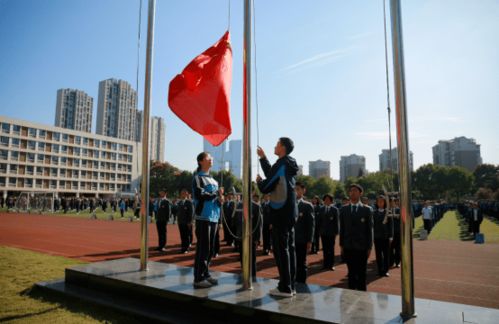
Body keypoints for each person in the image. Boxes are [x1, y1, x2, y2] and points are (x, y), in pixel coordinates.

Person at [256, 137, 299, 297]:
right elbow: (272, 174)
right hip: (289, 212)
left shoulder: (282, 164)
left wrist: (260, 183)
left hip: (281, 212)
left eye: (276, 144)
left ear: (282, 147)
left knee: (281, 250)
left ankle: (285, 287)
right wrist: (263, 158)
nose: (274, 146)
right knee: (289, 248)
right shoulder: (287, 164)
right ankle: (289, 285)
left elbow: (268, 185)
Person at [192, 152, 224, 288]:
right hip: (203, 216)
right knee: (203, 248)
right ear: (200, 161)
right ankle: (198, 278)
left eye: (211, 158)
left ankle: (206, 273)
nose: (211, 160)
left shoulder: (214, 180)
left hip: (214, 217)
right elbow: (201, 194)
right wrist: (216, 194)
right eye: (208, 158)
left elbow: (215, 199)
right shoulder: (198, 178)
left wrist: (220, 199)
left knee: (211, 249)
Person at [339, 183, 373, 291]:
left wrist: (369, 247)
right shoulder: (344, 209)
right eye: (351, 191)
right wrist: (341, 245)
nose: (352, 193)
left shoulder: (367, 209)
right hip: (348, 246)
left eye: (355, 191)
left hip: (362, 247)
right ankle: (351, 294)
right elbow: (342, 229)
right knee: (351, 273)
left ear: (360, 193)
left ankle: (362, 295)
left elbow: (369, 229)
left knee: (362, 273)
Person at [294, 182, 315, 283]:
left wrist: (309, 241)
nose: (295, 191)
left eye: (298, 189)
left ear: (303, 190)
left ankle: (301, 283)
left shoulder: (307, 206)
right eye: (294, 189)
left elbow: (310, 225)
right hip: (290, 239)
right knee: (290, 262)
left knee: (301, 262)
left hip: (302, 240)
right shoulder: (288, 204)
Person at [318, 194, 339, 271]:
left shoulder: (335, 210)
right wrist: (319, 231)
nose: (326, 201)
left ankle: (331, 265)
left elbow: (336, 222)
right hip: (323, 233)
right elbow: (319, 221)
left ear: (331, 200)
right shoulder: (321, 209)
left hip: (331, 233)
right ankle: (325, 264)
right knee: (325, 249)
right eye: (325, 199)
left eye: (328, 199)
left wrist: (336, 232)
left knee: (331, 249)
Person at [373, 195, 392, 277]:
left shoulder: (388, 212)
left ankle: (386, 270)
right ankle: (380, 270)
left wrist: (391, 236)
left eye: (382, 201)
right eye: (378, 201)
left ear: (384, 202)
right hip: (377, 237)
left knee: (386, 254)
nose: (380, 203)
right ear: (376, 203)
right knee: (378, 255)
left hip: (386, 237)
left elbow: (391, 226)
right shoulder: (374, 213)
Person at [177, 189, 194, 254]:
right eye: (181, 193)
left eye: (184, 193)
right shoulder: (180, 202)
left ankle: (186, 248)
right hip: (180, 222)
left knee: (186, 236)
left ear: (187, 194)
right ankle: (183, 247)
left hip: (187, 222)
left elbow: (191, 213)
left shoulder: (189, 202)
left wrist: (190, 222)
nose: (182, 194)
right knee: (182, 235)